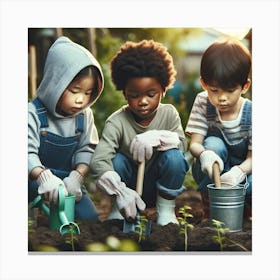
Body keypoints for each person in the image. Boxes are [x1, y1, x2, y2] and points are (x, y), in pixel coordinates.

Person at [90, 40, 189, 226]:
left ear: (163, 91)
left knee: (174, 157)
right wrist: (120, 191)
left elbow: (183, 146)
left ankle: (166, 211)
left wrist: (160, 138)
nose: (142, 101)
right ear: (125, 94)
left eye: (150, 94)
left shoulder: (169, 114)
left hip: (159, 185)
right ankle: (118, 210)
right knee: (116, 160)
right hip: (127, 189)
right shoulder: (117, 121)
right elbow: (98, 160)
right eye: (134, 95)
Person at [28, 36, 104, 221]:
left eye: (87, 93)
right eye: (75, 90)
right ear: (56, 84)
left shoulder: (84, 115)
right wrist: (43, 177)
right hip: (32, 179)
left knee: (89, 220)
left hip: (68, 181)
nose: (81, 99)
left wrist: (77, 177)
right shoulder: (32, 113)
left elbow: (87, 149)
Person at [185, 38, 252, 218]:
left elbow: (253, 158)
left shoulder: (252, 113)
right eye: (214, 90)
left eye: (230, 91)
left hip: (243, 170)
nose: (221, 98)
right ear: (204, 83)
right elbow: (195, 143)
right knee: (213, 144)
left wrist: (238, 173)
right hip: (211, 167)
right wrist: (205, 154)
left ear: (244, 86)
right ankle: (211, 205)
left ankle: (248, 208)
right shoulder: (202, 102)